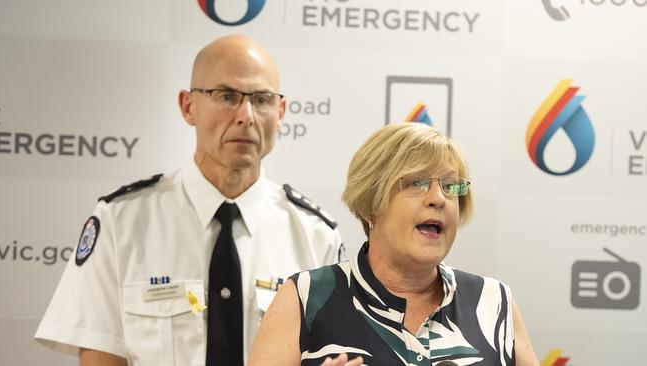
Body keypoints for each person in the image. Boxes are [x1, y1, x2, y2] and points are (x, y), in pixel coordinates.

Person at [34, 35, 344, 366]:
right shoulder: (120, 222)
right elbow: (101, 357)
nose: (246, 115)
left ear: (280, 112)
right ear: (188, 106)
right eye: (226, 96)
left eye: (262, 99)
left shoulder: (316, 236)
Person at [247, 123, 540, 366]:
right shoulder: (305, 298)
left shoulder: (493, 302)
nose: (439, 198)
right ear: (369, 205)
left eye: (451, 186)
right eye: (416, 183)